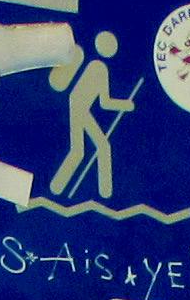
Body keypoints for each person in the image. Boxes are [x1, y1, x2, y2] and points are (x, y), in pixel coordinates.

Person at [49, 32, 135, 204]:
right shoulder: (99, 68)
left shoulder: (96, 65)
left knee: (86, 149)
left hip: (79, 108)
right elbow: (105, 103)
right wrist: (126, 105)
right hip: (80, 109)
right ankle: (103, 194)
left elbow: (101, 101)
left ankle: (59, 187)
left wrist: (124, 105)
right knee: (97, 147)